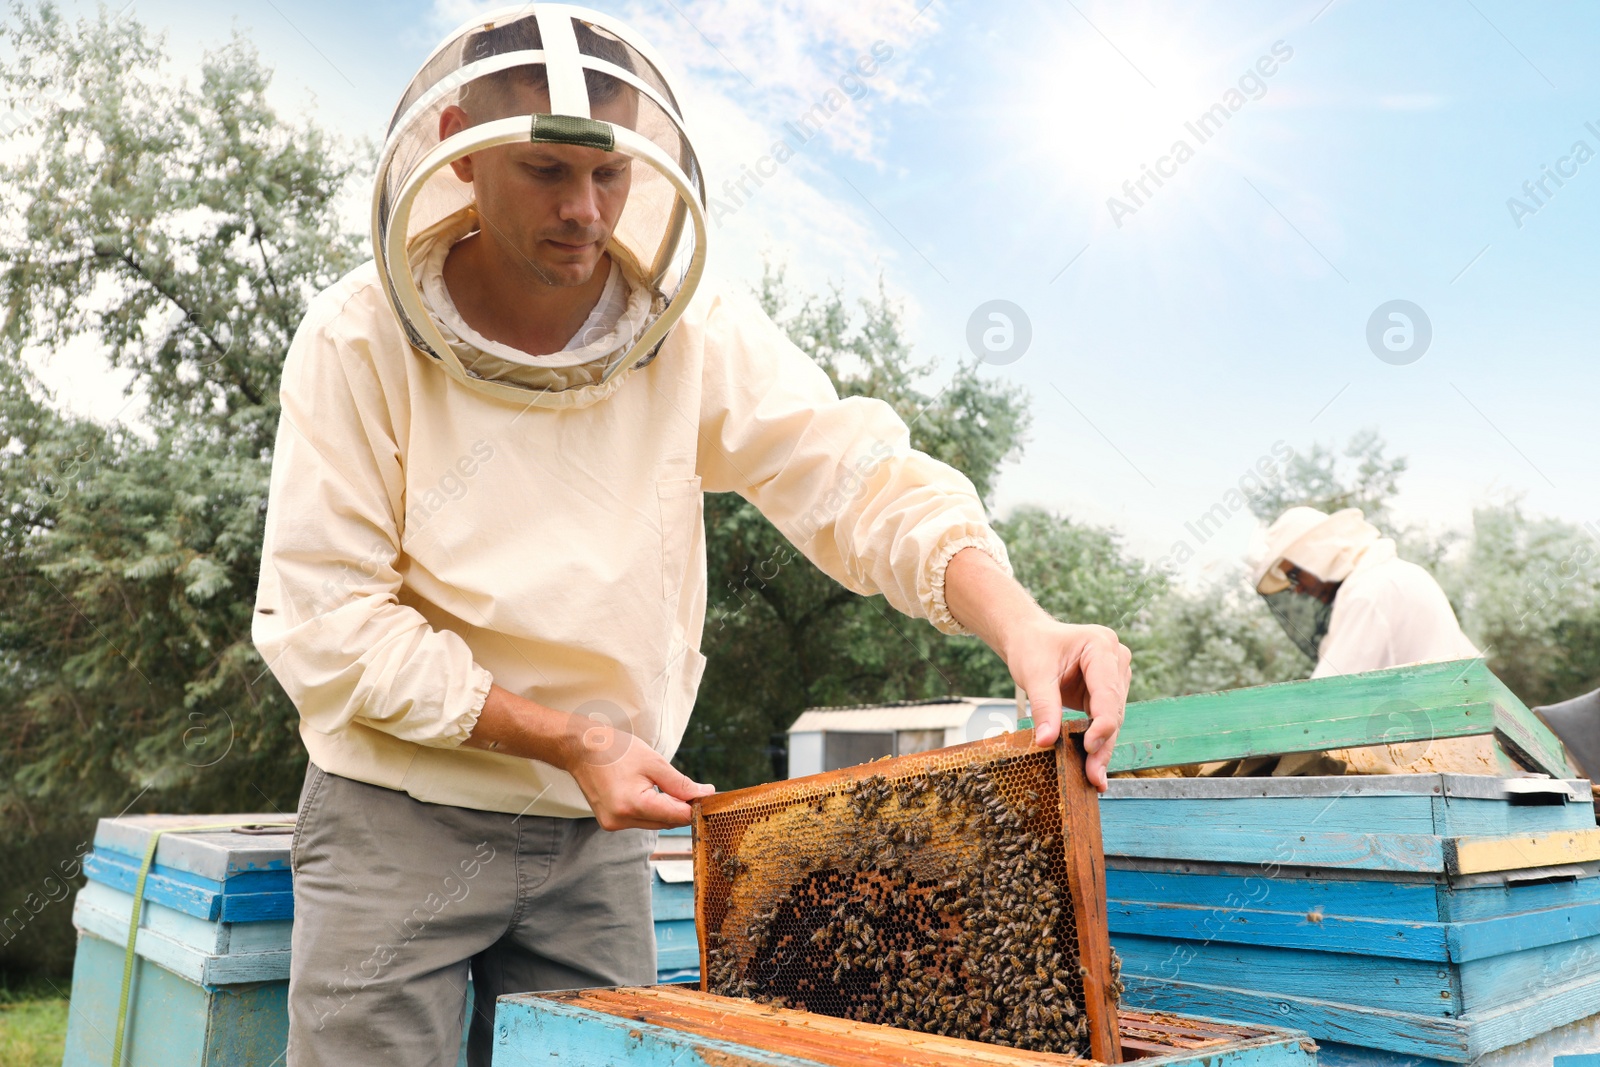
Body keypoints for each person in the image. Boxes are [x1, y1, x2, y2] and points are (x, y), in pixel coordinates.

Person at [251, 8, 1131, 1066]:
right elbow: (331, 624)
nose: (585, 211)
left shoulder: (688, 328)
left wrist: (1020, 620)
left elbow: (851, 476)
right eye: (544, 170)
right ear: (460, 143)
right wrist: (570, 739)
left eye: (609, 174)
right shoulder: (356, 340)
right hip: (397, 813)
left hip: (597, 835)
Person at [1242, 505, 1505, 776]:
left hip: (1434, 761)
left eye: (1295, 574)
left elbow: (1325, 702)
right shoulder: (1397, 574)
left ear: (1316, 555)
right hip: (1454, 753)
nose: (1297, 589)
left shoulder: (1370, 593)